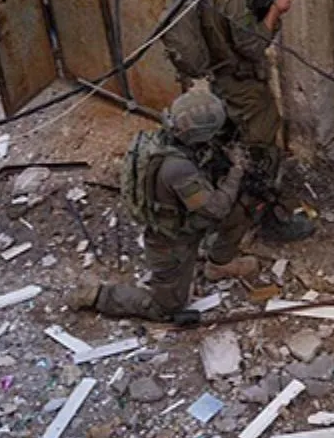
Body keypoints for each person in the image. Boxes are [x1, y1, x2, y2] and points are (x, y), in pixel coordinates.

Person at [160, 0, 312, 242]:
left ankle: (222, 196)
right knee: (262, 149)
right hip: (242, 84)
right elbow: (253, 45)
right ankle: (264, 217)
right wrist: (276, 10)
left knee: (228, 143)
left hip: (219, 81)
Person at [67, 89, 252, 322]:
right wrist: (236, 170)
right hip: (171, 241)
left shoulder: (165, 139)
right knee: (166, 309)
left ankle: (218, 264)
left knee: (243, 209)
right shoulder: (177, 168)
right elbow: (216, 209)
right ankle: (97, 296)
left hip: (181, 220)